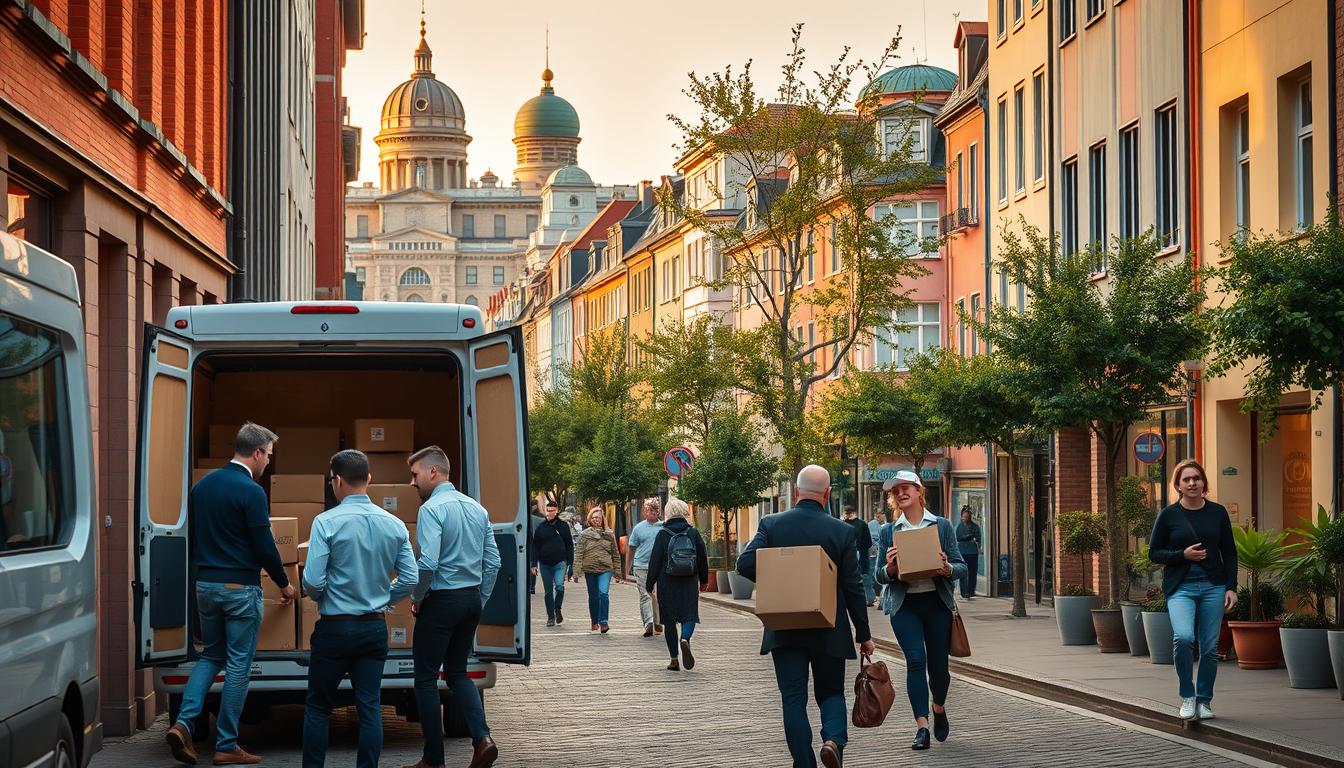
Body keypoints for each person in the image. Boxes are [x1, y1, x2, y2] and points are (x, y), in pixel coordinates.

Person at [166, 423, 292, 766]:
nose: (268, 462)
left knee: (210, 658)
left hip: (206, 588)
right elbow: (265, 546)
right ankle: (227, 744)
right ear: (255, 453)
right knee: (239, 666)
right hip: (239, 589)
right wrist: (284, 583)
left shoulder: (202, 487)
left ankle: (183, 723)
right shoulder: (251, 492)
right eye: (268, 455)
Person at [737, 465, 873, 768]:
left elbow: (744, 564)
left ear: (797, 492)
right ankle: (833, 741)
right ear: (827, 494)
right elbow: (853, 587)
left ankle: (804, 763)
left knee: (793, 698)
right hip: (829, 629)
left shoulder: (771, 524)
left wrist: (781, 572)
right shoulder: (841, 531)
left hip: (785, 627)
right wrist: (863, 634)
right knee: (831, 691)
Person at [301, 450, 418, 768]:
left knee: (318, 708)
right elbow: (411, 577)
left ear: (336, 481)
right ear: (369, 479)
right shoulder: (394, 524)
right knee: (370, 706)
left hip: (334, 628)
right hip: (372, 628)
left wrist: (324, 596)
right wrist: (386, 597)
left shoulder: (325, 522)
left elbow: (312, 580)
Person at [403, 446, 500, 768]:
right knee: (458, 672)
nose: (413, 482)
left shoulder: (432, 509)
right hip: (470, 599)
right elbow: (494, 563)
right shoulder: (477, 509)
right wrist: (480, 599)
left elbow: (428, 562)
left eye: (415, 475)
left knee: (426, 679)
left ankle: (433, 759)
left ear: (433, 472)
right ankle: (482, 739)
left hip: (441, 602)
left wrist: (416, 597)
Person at [875, 470, 966, 751]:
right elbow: (878, 575)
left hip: (936, 604)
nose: (901, 493)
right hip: (905, 607)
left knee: (939, 668)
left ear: (919, 491)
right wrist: (889, 569)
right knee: (916, 661)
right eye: (896, 491)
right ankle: (922, 727)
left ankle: (938, 707)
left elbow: (960, 566)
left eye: (907, 488)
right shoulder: (889, 531)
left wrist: (947, 568)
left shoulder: (941, 526)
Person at [1148, 459, 1237, 722]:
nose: (1192, 483)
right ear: (1178, 485)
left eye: (1196, 478)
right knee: (1183, 638)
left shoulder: (1218, 512)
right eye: (1186, 479)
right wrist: (1183, 555)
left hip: (1213, 586)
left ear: (1203, 482)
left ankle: (1204, 700)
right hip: (1181, 588)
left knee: (1210, 648)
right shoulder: (1169, 515)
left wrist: (1231, 587)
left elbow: (1229, 552)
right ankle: (1187, 695)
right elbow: (1155, 553)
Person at [645, 498, 708, 670]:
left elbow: (655, 561)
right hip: (689, 579)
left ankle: (674, 660)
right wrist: (703, 580)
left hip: (667, 581)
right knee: (690, 614)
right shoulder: (693, 533)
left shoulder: (663, 534)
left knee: (670, 620)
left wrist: (650, 584)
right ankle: (685, 639)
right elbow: (702, 557)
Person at [574, 506, 624, 632]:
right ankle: (594, 620)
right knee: (593, 596)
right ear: (590, 519)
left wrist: (618, 572)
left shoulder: (609, 534)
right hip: (590, 569)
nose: (597, 520)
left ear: (603, 519)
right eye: (594, 517)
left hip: (605, 569)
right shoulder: (584, 535)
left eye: (599, 517)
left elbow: (615, 554)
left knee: (603, 593)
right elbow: (579, 553)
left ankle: (604, 622)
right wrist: (576, 571)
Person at [530, 499, 574, 626]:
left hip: (560, 562)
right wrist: (533, 564)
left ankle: (557, 608)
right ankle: (550, 617)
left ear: (557, 511)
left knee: (559, 587)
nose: (550, 513)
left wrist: (570, 563)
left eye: (552, 511)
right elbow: (535, 546)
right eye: (548, 510)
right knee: (548, 591)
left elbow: (569, 545)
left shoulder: (563, 526)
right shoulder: (541, 527)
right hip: (544, 564)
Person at [625, 498, 665, 636]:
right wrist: (626, 569)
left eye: (655, 509)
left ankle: (658, 621)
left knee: (657, 595)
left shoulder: (664, 527)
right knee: (645, 595)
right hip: (641, 566)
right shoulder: (638, 528)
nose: (653, 512)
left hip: (660, 567)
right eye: (650, 509)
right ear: (644, 512)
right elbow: (631, 549)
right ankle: (648, 622)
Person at [842, 504, 874, 607]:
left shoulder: (842, 524)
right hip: (862, 553)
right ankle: (869, 599)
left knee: (848, 578)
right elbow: (868, 541)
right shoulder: (862, 524)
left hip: (846, 555)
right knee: (865, 576)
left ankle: (849, 601)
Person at [955, 506, 982, 599]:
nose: (965, 518)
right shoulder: (958, 526)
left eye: (967, 516)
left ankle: (971, 591)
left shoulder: (975, 526)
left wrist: (978, 545)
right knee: (963, 571)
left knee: (972, 572)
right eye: (964, 516)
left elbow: (978, 538)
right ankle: (964, 591)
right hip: (962, 551)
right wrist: (967, 537)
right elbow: (957, 537)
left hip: (972, 552)